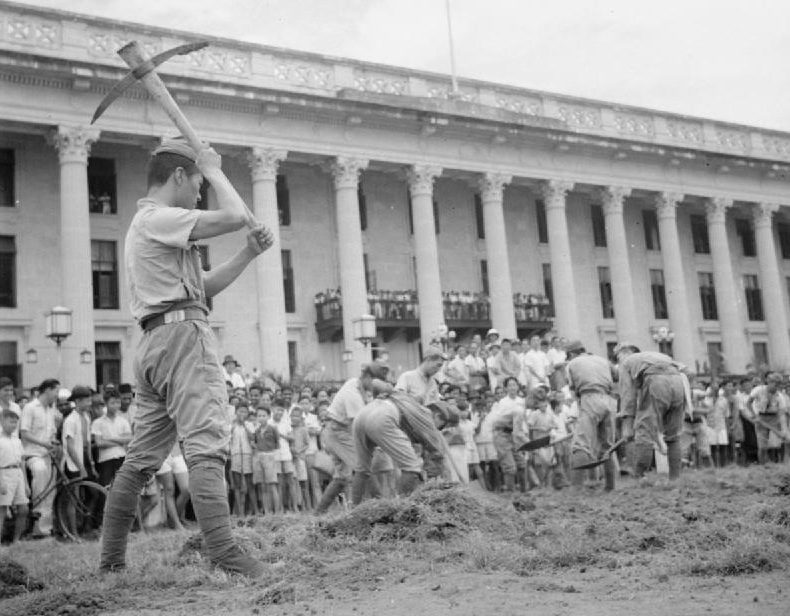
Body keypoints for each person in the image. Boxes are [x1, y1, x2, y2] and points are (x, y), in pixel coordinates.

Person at [100, 136, 274, 577]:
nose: (200, 192)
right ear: (179, 176)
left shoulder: (151, 225)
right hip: (182, 337)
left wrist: (249, 253)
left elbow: (203, 289)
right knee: (206, 444)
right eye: (197, 183)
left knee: (141, 459)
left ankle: (111, 562)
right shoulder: (159, 218)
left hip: (157, 339)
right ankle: (225, 554)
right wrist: (216, 168)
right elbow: (235, 215)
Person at [315, 362, 389, 514]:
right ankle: (382, 505)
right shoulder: (352, 394)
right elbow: (360, 425)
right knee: (364, 468)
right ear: (368, 377)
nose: (379, 385)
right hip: (338, 432)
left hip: (338, 430)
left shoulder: (356, 384)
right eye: (377, 381)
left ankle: (318, 512)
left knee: (341, 477)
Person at [615, 343, 692, 480]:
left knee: (644, 433)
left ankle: (639, 477)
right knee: (673, 437)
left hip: (656, 381)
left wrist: (627, 424)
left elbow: (628, 396)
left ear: (624, 353)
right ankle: (675, 478)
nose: (617, 360)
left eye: (617, 356)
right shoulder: (655, 356)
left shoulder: (626, 363)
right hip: (679, 381)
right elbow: (688, 372)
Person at [564, 340, 616, 490]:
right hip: (608, 399)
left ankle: (576, 488)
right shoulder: (603, 360)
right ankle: (609, 487)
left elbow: (574, 392)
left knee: (580, 445)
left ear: (571, 354)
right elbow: (616, 377)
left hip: (589, 397)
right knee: (607, 446)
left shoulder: (572, 364)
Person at [20, 379, 61, 538]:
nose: (57, 395)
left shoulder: (50, 410)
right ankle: (37, 523)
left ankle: (46, 529)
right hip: (32, 454)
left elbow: (51, 434)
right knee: (40, 474)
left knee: (51, 489)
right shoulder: (30, 408)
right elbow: (24, 433)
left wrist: (53, 442)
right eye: (56, 391)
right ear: (47, 390)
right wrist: (43, 444)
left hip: (47, 455)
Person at [488, 376, 527, 492]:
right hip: (503, 434)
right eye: (509, 385)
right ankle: (512, 496)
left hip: (515, 434)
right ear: (505, 388)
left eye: (514, 385)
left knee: (522, 464)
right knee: (510, 467)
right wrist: (526, 441)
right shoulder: (502, 403)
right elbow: (497, 422)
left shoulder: (522, 401)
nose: (512, 387)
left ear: (518, 386)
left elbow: (521, 423)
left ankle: (524, 493)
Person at [91, 388, 132, 488]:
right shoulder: (98, 422)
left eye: (118, 402)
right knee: (106, 490)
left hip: (121, 457)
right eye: (112, 403)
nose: (116, 406)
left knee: (122, 489)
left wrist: (109, 439)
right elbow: (99, 443)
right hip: (106, 460)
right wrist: (120, 441)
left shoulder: (123, 421)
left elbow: (129, 438)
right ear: (106, 403)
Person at [746, 373, 790, 464]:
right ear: (769, 382)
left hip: (775, 418)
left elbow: (782, 414)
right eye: (775, 384)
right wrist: (754, 415)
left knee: (783, 441)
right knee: (762, 447)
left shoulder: (780, 397)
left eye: (779, 385)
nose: (777, 387)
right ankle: (763, 466)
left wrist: (784, 429)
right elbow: (748, 403)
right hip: (761, 418)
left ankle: (783, 463)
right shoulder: (758, 390)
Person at [0, 409, 28, 544]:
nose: (13, 425)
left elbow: (22, 461)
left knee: (23, 508)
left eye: (15, 422)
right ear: (2, 421)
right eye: (11, 422)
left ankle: (16, 540)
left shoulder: (17, 440)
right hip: (4, 474)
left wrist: (26, 484)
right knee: (2, 511)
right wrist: (1, 482)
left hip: (18, 474)